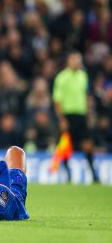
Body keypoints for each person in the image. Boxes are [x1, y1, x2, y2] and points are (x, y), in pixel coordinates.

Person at [53, 52, 98, 182]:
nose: (77, 62)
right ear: (68, 61)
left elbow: (86, 96)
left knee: (88, 145)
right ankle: (67, 174)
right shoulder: (61, 77)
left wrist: (89, 113)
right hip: (67, 116)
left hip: (81, 115)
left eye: (78, 60)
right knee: (66, 146)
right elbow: (57, 100)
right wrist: (61, 119)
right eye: (74, 60)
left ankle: (93, 173)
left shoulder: (83, 76)